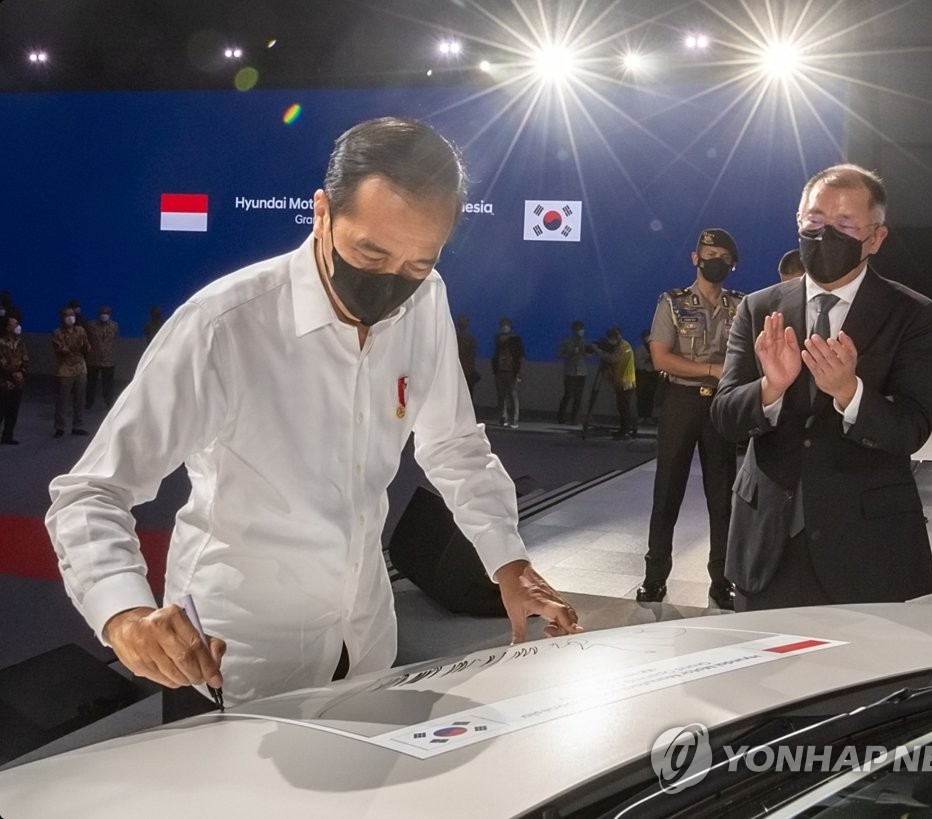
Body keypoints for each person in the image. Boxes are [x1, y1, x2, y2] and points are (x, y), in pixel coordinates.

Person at [46, 117, 581, 722]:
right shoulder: (225, 326)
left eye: (417, 262)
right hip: (234, 662)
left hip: (367, 644)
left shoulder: (427, 300)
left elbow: (454, 444)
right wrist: (125, 616)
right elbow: (91, 492)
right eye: (370, 253)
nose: (392, 284)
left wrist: (510, 561)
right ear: (322, 212)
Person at [710, 163, 932, 611]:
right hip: (767, 544)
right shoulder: (758, 308)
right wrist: (770, 388)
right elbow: (725, 418)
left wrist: (849, 393)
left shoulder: (913, 315)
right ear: (798, 221)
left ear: (875, 238)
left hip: (865, 549)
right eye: (814, 222)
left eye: (844, 225)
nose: (825, 235)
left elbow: (911, 429)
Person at [637, 228, 744, 609]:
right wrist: (712, 369)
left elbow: (748, 357)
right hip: (681, 402)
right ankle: (654, 578)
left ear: (732, 264)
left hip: (722, 406)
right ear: (695, 258)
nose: (716, 261)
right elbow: (661, 358)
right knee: (667, 491)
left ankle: (722, 580)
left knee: (722, 495)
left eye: (724, 257)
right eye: (709, 255)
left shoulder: (741, 306)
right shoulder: (673, 302)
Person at [52, 305, 90, 437]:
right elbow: (62, 349)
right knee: (63, 400)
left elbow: (87, 347)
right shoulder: (57, 333)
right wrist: (76, 346)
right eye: (67, 315)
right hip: (65, 370)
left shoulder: (80, 330)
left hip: (80, 369)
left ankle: (77, 426)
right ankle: (60, 427)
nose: (70, 318)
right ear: (62, 317)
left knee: (80, 399)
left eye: (72, 315)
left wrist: (83, 346)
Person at [595, 326, 636, 440]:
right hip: (622, 380)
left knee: (624, 408)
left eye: (611, 338)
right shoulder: (622, 345)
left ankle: (625, 430)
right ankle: (624, 429)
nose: (610, 341)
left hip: (626, 381)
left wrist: (598, 351)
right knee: (622, 407)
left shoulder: (623, 346)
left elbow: (613, 359)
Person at [491, 317, 525, 428]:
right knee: (501, 396)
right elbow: (496, 354)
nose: (504, 327)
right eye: (503, 325)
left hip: (511, 372)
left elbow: (520, 356)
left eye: (507, 325)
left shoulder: (516, 340)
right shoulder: (497, 339)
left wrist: (519, 371)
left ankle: (515, 420)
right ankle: (503, 419)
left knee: (513, 396)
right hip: (500, 371)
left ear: (510, 327)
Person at [0, 313, 28, 445]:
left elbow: (25, 359)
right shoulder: (1, 342)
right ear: (7, 327)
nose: (18, 326)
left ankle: (8, 436)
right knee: (1, 410)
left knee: (13, 411)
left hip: (17, 383)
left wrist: (22, 372)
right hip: (4, 382)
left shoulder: (20, 342)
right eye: (15, 324)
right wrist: (12, 373)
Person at [85, 305, 119, 409]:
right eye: (102, 313)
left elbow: (115, 339)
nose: (104, 315)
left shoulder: (114, 325)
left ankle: (109, 402)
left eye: (106, 313)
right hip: (93, 359)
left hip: (108, 360)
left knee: (108, 384)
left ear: (109, 314)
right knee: (91, 383)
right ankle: (89, 402)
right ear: (99, 314)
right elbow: (86, 339)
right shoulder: (91, 325)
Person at [556, 320, 588, 424]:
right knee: (568, 395)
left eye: (582, 329)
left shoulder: (585, 342)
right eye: (579, 329)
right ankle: (560, 417)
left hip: (582, 372)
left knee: (578, 397)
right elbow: (560, 355)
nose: (581, 331)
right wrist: (571, 353)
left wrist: (586, 352)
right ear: (574, 330)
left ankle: (574, 418)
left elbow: (589, 356)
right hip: (570, 372)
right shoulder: (567, 341)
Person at [635, 328, 658, 425]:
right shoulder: (639, 349)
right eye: (646, 336)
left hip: (652, 374)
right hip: (642, 373)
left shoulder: (655, 348)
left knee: (650, 396)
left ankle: (649, 416)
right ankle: (641, 416)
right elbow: (637, 363)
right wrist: (646, 358)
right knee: (641, 396)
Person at [455, 314, 480, 401]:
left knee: (466, 393)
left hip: (464, 371)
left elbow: (471, 356)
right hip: (463, 371)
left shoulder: (467, 339)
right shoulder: (468, 339)